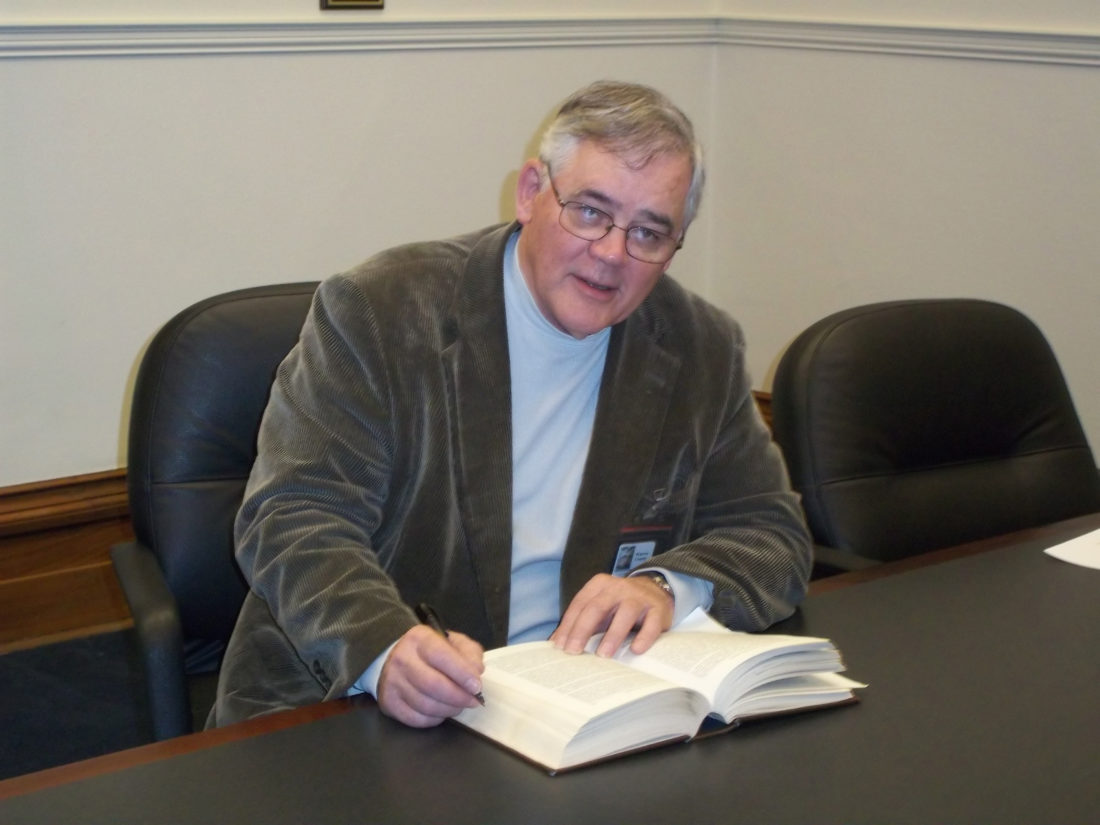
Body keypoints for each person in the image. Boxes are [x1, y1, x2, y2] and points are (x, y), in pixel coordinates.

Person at [210, 80, 812, 729]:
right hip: (351, 705)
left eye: (649, 233)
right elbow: (292, 513)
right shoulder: (380, 311)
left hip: (581, 708)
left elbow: (772, 535)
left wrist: (666, 586)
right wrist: (382, 648)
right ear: (530, 192)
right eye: (590, 211)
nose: (612, 253)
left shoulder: (699, 346)